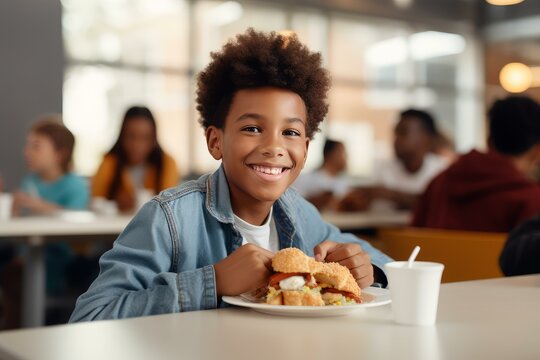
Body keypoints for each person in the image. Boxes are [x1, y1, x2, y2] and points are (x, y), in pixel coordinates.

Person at [69, 29, 392, 322]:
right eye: (253, 128)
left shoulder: (298, 213)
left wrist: (369, 268)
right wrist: (213, 282)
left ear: (306, 150)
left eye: (290, 132)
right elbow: (90, 316)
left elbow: (381, 262)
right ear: (216, 141)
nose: (274, 147)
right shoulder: (169, 218)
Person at [3, 117, 89, 329]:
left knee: (13, 278)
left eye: (36, 146)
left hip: (59, 264)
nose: (26, 151)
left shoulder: (75, 185)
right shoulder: (29, 182)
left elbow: (76, 220)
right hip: (24, 257)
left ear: (60, 153)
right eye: (28, 145)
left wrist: (38, 205)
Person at [413, 96, 540, 232]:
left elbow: (413, 239)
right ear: (536, 151)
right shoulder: (532, 200)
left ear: (488, 140)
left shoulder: (439, 182)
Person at [91, 106, 179, 213]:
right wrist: (117, 205)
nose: (137, 145)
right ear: (121, 136)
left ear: (154, 139)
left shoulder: (166, 163)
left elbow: (171, 204)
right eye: (131, 136)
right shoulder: (110, 162)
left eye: (145, 138)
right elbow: (95, 200)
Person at [366, 109, 448, 211]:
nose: (396, 139)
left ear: (426, 138)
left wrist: (391, 195)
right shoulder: (382, 169)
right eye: (395, 133)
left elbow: (440, 204)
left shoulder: (441, 171)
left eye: (403, 132)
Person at [292, 139, 359, 211]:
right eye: (343, 153)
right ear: (331, 155)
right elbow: (294, 204)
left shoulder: (344, 183)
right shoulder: (307, 179)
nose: (346, 157)